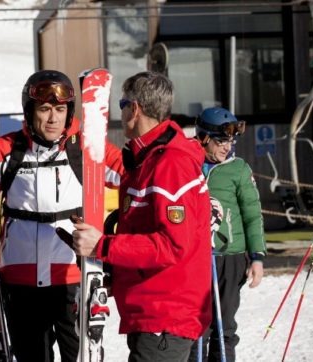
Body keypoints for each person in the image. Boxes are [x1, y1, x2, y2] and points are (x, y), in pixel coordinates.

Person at [61, 71, 212, 361]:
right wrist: (111, 273)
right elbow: (145, 237)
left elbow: (171, 246)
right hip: (154, 312)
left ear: (135, 109)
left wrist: (102, 245)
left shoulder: (170, 164)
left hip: (166, 316)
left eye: (122, 104)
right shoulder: (147, 161)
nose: (121, 111)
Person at [0, 69, 124, 362]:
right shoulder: (6, 150)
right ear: (29, 110)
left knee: (78, 355)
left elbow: (135, 179)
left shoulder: (86, 149)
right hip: (20, 278)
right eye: (44, 109)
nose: (53, 118)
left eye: (60, 110)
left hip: (71, 276)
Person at [188, 107, 266, 362]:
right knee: (196, 323)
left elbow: (253, 215)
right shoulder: (186, 164)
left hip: (229, 258)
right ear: (203, 138)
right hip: (193, 257)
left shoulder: (238, 169)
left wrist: (257, 257)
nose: (227, 147)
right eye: (221, 140)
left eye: (231, 140)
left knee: (223, 323)